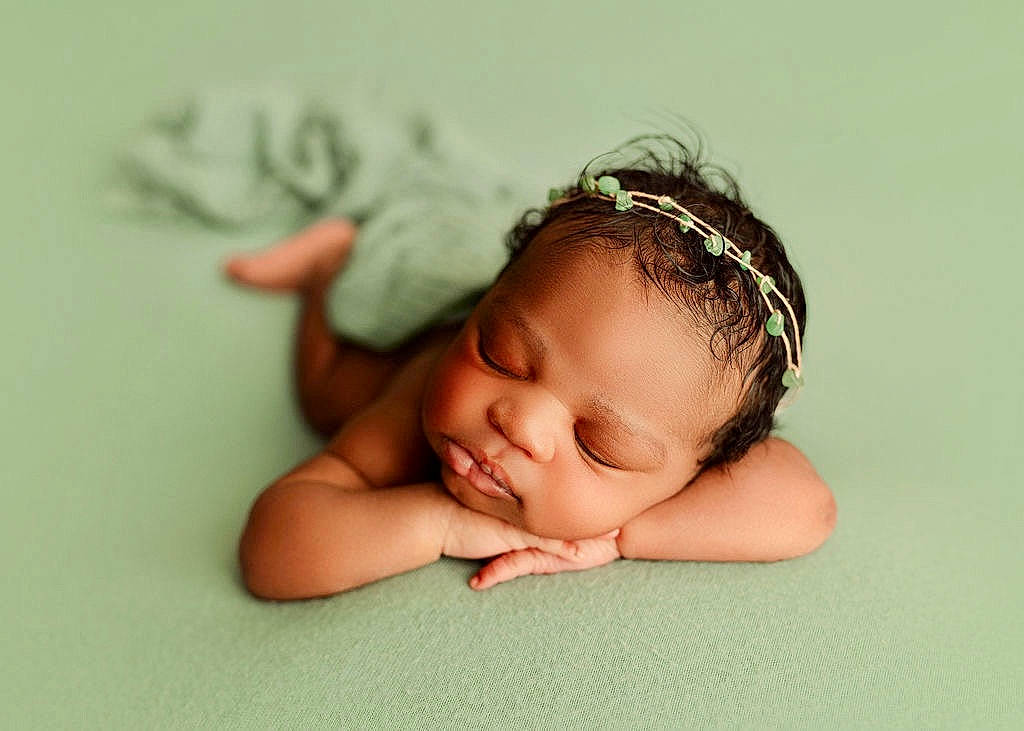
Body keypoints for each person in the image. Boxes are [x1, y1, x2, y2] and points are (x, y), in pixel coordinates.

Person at [225, 137, 836, 601]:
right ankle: (328, 261)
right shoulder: (416, 404)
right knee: (329, 397)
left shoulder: (686, 433)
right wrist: (439, 523)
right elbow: (273, 550)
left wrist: (616, 538)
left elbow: (805, 505)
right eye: (501, 356)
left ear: (696, 473)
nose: (519, 423)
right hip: (415, 312)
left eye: (599, 446)